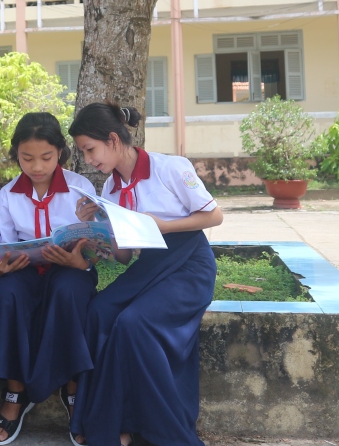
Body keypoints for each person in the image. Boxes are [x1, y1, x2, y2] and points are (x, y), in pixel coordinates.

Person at [67, 103, 222, 446]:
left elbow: (214, 217)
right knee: (100, 311)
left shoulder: (170, 168)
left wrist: (166, 224)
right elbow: (123, 257)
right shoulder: (109, 189)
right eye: (83, 153)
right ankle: (111, 421)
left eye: (90, 150)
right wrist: (95, 224)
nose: (89, 160)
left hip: (188, 265)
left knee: (134, 323)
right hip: (149, 267)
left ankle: (155, 429)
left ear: (112, 139)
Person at [0, 112, 98, 446]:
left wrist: (80, 259)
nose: (36, 166)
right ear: (16, 154)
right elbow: (3, 248)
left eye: (46, 157)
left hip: (69, 269)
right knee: (6, 295)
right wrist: (1, 265)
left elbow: (95, 246)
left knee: (69, 292)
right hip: (25, 269)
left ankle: (73, 387)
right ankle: (15, 391)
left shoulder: (81, 188)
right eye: (27, 158)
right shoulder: (7, 194)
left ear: (61, 152)